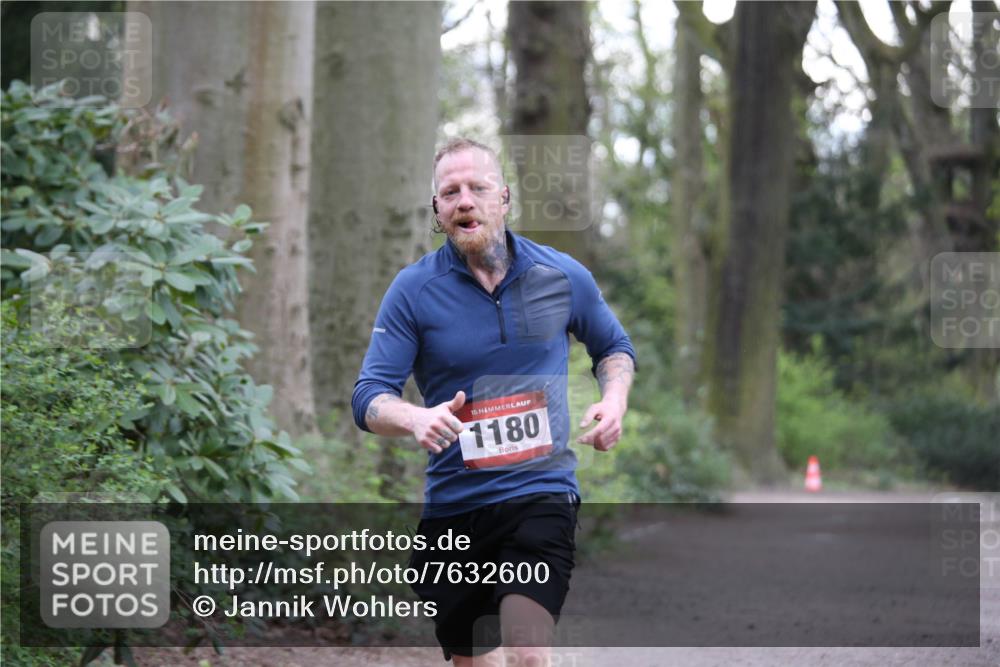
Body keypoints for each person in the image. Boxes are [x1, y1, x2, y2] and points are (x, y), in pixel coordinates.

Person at [351, 138, 636, 666]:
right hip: (457, 506)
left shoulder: (560, 275)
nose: (465, 200)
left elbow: (613, 348)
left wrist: (614, 401)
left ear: (503, 198)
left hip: (541, 492)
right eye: (450, 192)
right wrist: (415, 417)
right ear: (436, 210)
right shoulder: (413, 291)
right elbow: (368, 397)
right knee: (474, 658)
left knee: (528, 651)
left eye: (478, 188)